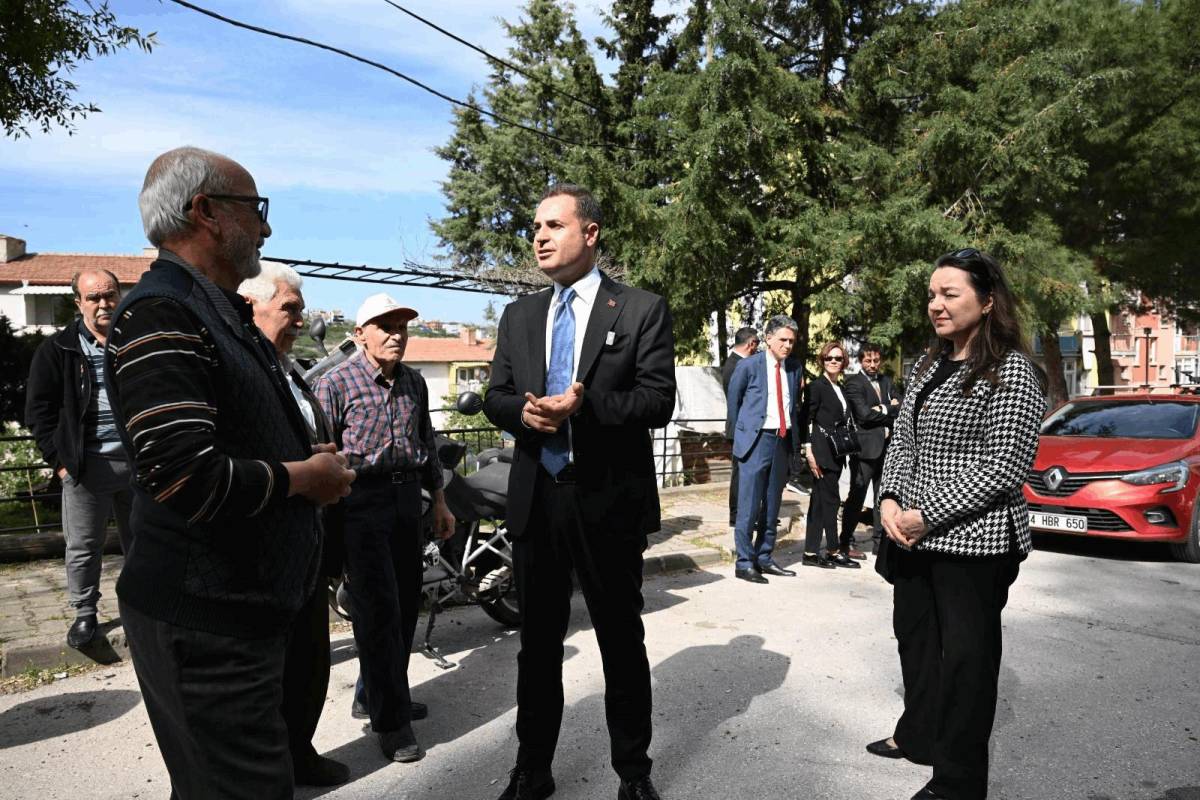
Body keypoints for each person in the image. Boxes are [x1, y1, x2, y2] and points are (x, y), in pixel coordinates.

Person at [105, 146, 356, 800]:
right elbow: (185, 475)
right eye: (256, 209)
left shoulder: (214, 310)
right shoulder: (162, 312)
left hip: (242, 616)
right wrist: (305, 478)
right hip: (206, 628)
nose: (266, 229)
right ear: (207, 212)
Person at [482, 184, 675, 800]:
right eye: (535, 226)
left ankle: (634, 774)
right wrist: (525, 414)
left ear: (590, 233)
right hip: (539, 500)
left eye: (554, 225)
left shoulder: (639, 308)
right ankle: (531, 769)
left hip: (608, 501)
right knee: (538, 647)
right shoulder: (519, 315)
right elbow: (496, 396)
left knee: (621, 641)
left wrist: (585, 408)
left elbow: (657, 400)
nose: (539, 236)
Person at [867, 248, 1046, 800]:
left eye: (950, 294)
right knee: (915, 640)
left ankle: (958, 783)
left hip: (976, 540)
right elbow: (904, 439)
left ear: (988, 301)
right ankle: (918, 735)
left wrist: (927, 513)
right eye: (931, 295)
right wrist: (892, 498)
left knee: (967, 661)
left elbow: (1004, 465)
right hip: (911, 534)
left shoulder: (1013, 369)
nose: (935, 305)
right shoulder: (926, 364)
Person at [315, 292, 455, 764]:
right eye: (384, 325)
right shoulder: (336, 383)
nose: (396, 334)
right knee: (376, 613)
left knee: (404, 606)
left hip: (405, 499)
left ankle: (373, 696)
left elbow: (427, 443)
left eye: (401, 326)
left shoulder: (415, 382)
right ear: (360, 334)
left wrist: (438, 500)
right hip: (357, 502)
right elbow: (322, 453)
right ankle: (391, 723)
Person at [239, 262, 349, 787]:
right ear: (250, 307)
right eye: (290, 309)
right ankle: (271, 768)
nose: (301, 321)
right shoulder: (239, 369)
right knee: (270, 668)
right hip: (263, 546)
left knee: (310, 658)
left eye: (302, 309)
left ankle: (299, 750)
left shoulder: (293, 369)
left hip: (308, 542)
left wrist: (319, 454)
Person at [25, 269, 132, 649]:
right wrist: (61, 462)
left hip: (137, 463)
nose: (104, 303)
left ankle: (140, 610)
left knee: (144, 542)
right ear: (79, 303)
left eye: (110, 294)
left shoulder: (135, 341)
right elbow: (39, 412)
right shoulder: (58, 349)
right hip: (86, 465)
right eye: (94, 297)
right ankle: (85, 615)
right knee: (84, 546)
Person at [726, 315, 802, 583]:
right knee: (748, 505)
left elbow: (794, 407)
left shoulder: (794, 368)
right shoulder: (749, 366)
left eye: (792, 341)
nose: (788, 345)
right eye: (783, 339)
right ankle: (744, 562)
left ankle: (765, 557)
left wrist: (795, 446)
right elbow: (734, 402)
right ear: (768, 338)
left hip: (782, 439)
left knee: (772, 505)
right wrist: (738, 440)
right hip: (755, 441)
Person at [800, 341, 860, 569]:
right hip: (821, 452)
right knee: (831, 500)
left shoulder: (841, 388)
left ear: (844, 361)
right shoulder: (816, 387)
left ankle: (810, 553)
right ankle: (833, 550)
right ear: (822, 361)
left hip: (836, 452)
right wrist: (808, 451)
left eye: (837, 358)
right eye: (828, 358)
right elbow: (806, 418)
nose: (833, 362)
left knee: (818, 504)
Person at [841, 342, 901, 557]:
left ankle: (879, 543)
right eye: (868, 360)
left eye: (876, 360)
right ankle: (845, 541)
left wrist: (884, 408)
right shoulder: (853, 383)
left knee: (881, 497)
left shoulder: (886, 381)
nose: (873, 365)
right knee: (857, 496)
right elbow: (864, 415)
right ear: (860, 361)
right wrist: (890, 408)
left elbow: (900, 405)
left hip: (887, 447)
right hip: (865, 449)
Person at [721, 326, 759, 527]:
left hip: (742, 426)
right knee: (740, 474)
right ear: (751, 343)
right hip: (740, 428)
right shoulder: (736, 365)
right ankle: (736, 515)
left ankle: (749, 512)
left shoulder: (736, 363)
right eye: (757, 345)